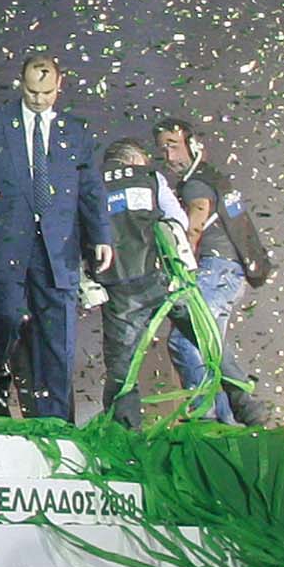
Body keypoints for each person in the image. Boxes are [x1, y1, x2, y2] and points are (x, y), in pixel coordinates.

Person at [0, 53, 110, 421]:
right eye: (31, 90)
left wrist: (101, 235)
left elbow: (91, 188)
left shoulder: (77, 131)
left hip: (59, 248)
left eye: (46, 92)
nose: (38, 99)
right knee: (7, 316)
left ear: (61, 85)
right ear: (20, 83)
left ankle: (55, 422)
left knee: (59, 337)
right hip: (5, 241)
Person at [153, 117, 273, 425]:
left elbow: (197, 216)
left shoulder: (195, 184)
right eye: (163, 149)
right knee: (210, 346)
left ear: (193, 146)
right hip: (231, 272)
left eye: (174, 147)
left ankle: (208, 416)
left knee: (184, 340)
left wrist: (182, 263)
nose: (169, 156)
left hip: (214, 269)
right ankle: (232, 419)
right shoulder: (215, 177)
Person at [95, 138, 200, 426]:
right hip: (163, 277)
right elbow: (178, 220)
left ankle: (126, 433)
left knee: (122, 367)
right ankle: (242, 407)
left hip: (119, 286)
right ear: (134, 160)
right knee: (206, 338)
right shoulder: (151, 178)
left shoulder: (90, 185)